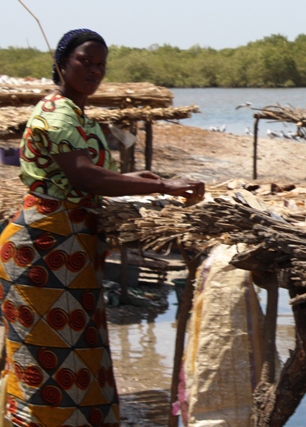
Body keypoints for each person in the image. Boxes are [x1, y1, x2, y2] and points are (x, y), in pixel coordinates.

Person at [0, 29, 204, 426]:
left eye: (100, 65)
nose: (94, 71)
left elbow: (92, 174)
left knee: (81, 351)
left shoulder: (77, 114)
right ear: (61, 64)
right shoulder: (57, 113)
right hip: (43, 248)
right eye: (85, 62)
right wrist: (162, 185)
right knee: (48, 358)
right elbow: (85, 179)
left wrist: (139, 178)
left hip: (71, 247)